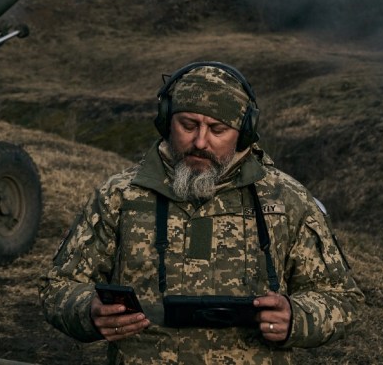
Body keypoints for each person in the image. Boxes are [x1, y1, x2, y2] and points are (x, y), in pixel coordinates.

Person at [40, 61, 363, 364]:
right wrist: (88, 311)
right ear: (167, 120)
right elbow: (59, 286)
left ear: (244, 133)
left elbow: (343, 298)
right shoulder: (119, 196)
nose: (200, 141)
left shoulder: (288, 200)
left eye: (217, 129)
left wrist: (297, 318)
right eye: (188, 124)